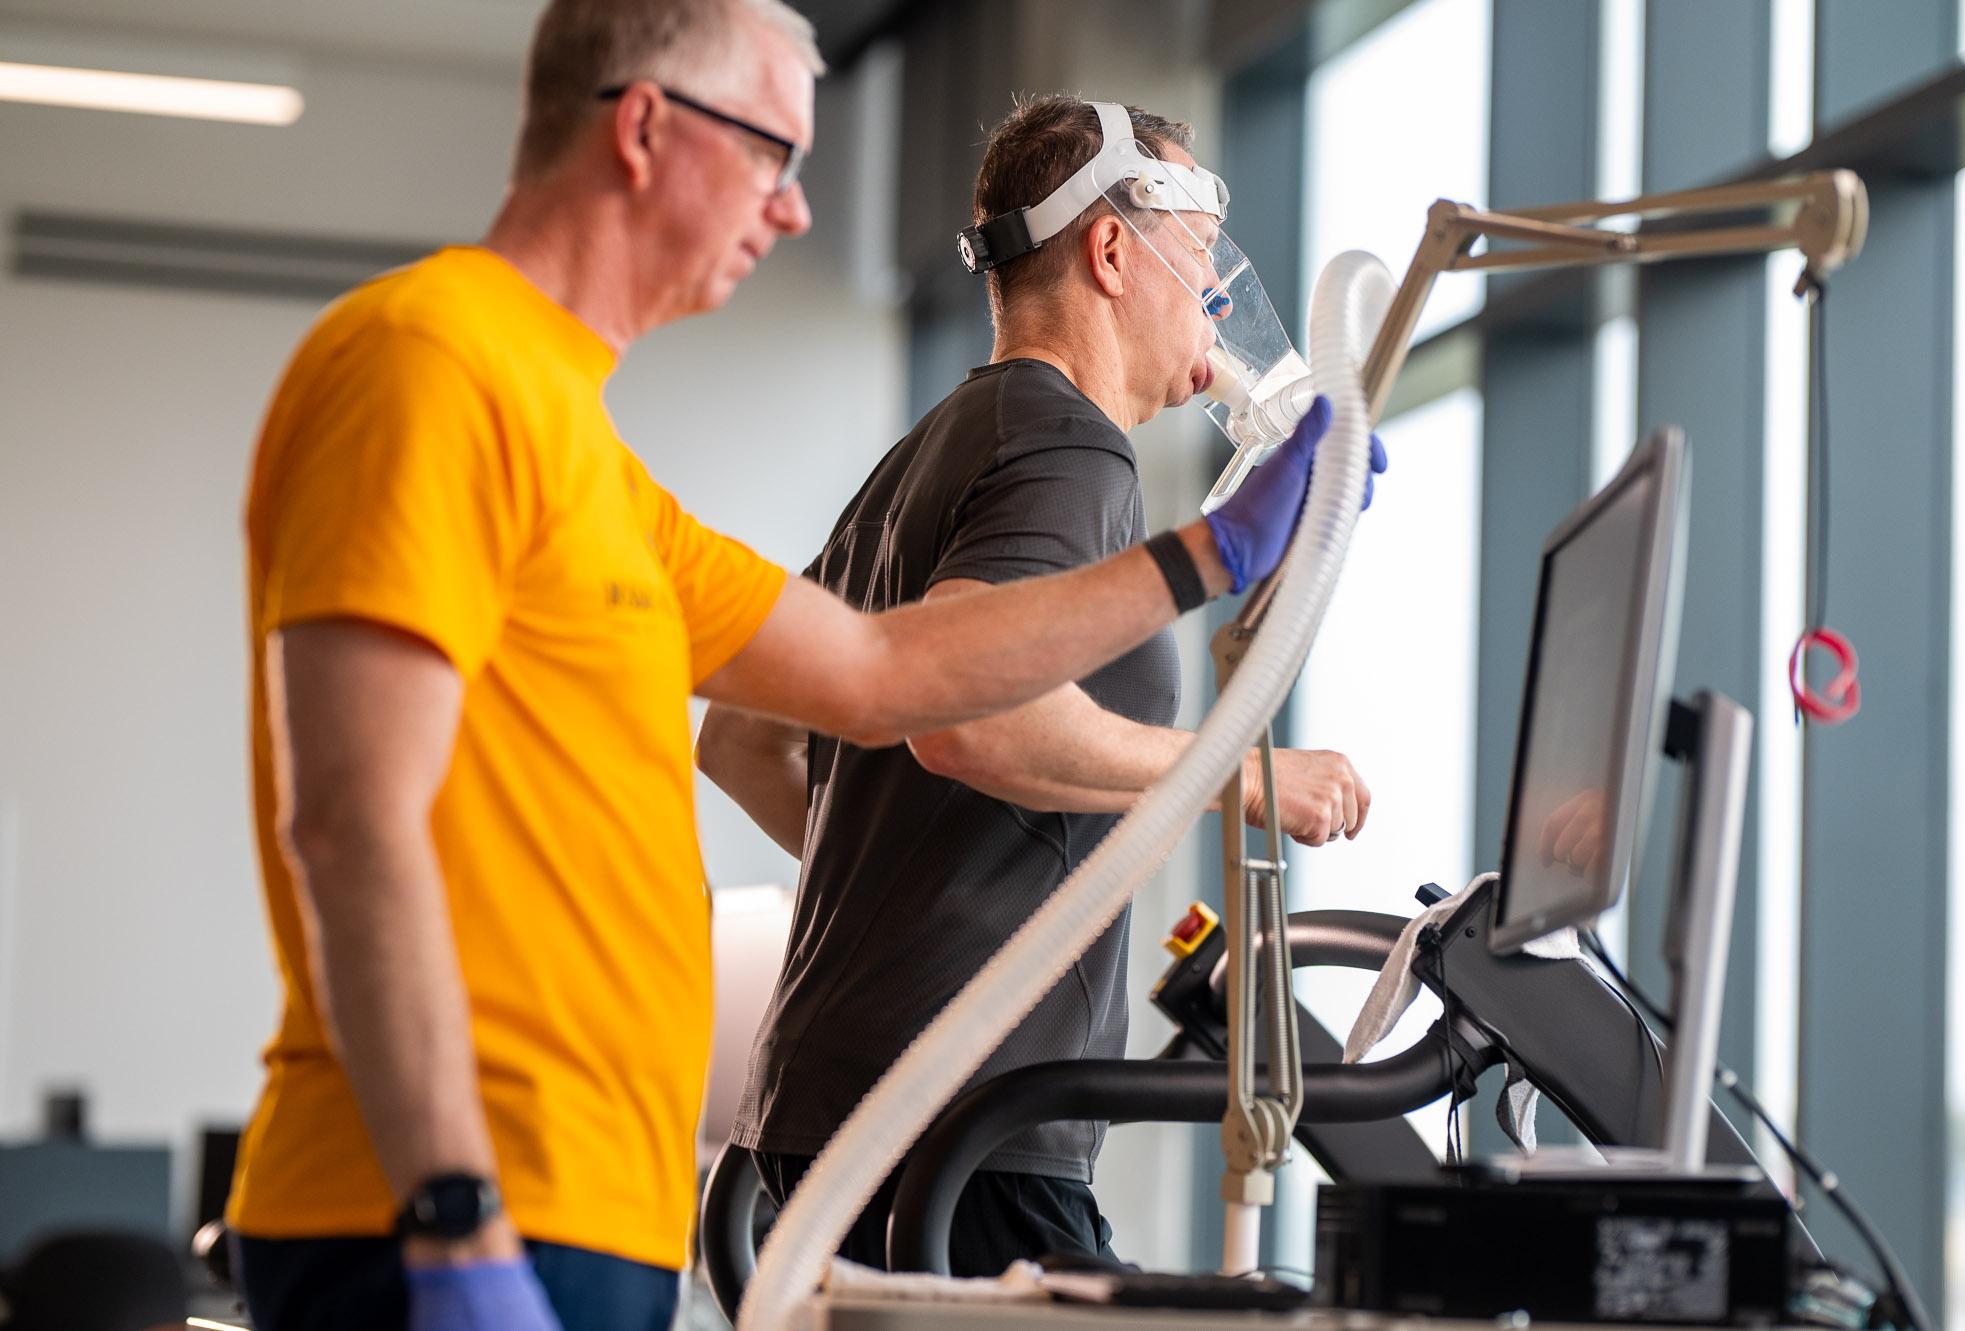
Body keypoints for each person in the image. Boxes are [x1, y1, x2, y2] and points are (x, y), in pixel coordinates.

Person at [223, 3, 1328, 1329]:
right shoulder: (429, 364)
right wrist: (451, 1209)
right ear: (643, 128)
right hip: (438, 1208)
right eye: (772, 153)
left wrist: (1211, 549)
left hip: (604, 1199)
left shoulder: (597, 463)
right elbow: (351, 818)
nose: (796, 211)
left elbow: (874, 670)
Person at [700, 95, 1385, 1276]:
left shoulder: (935, 445)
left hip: (835, 1111)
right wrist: (1250, 779)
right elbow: (971, 720)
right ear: (1111, 252)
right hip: (959, 1129)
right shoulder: (1068, 444)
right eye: (1196, 249)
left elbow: (741, 737)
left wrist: (912, 866)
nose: (1218, 293)